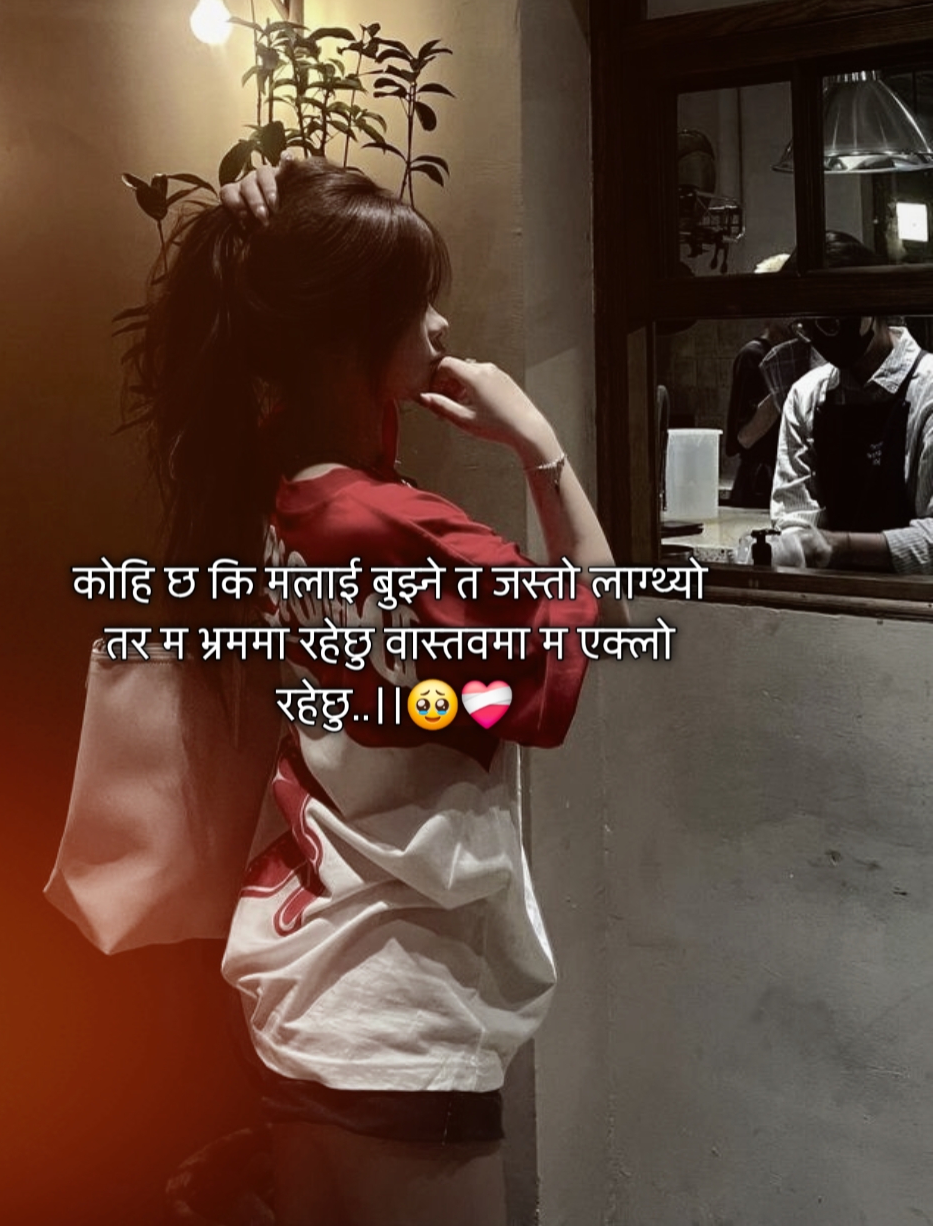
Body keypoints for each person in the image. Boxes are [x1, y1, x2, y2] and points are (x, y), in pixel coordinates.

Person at [123, 155, 620, 1226]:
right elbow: (595, 617)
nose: (440, 327)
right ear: (347, 337)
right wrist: (540, 447)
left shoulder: (285, 497)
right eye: (415, 305)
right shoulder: (398, 529)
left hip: (306, 980)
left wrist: (281, 201)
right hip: (402, 1007)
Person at [769, 234, 933, 573]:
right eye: (806, 327)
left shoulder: (928, 390)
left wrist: (837, 547)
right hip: (830, 597)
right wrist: (798, 546)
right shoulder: (806, 397)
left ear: (871, 306)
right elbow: (795, 523)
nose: (819, 338)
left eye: (829, 324)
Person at [724, 319, 794, 508]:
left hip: (782, 480)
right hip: (758, 482)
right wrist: (784, 387)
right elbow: (744, 437)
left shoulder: (797, 356)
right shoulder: (753, 355)